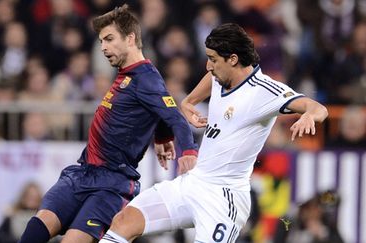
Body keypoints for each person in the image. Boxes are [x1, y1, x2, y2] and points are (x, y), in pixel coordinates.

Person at [99, 23, 328, 243]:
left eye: (213, 60)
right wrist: (189, 101)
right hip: (192, 183)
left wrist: (309, 115)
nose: (208, 66)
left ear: (233, 59)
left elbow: (319, 108)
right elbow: (211, 79)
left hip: (224, 198)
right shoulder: (221, 75)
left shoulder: (265, 91)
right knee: (123, 222)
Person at [18, 4, 198, 243]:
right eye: (101, 41)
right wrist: (162, 136)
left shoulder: (146, 78)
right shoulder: (127, 74)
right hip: (82, 172)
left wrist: (188, 151)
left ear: (131, 38)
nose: (103, 47)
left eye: (109, 39)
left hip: (112, 184)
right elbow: (155, 111)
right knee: (35, 230)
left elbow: (175, 116)